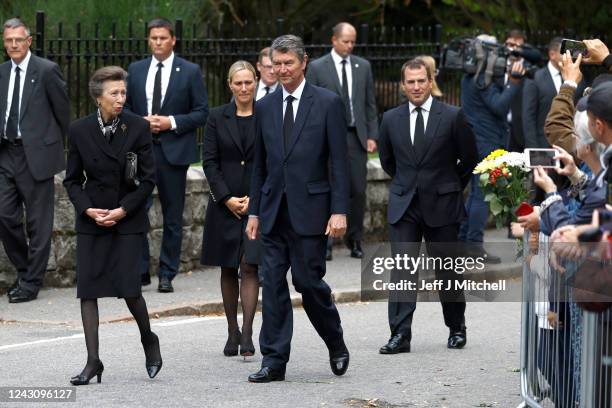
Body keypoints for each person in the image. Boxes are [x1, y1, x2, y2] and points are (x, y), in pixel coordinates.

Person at [245, 35, 350, 382]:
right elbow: (259, 164)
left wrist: (339, 210)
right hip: (274, 212)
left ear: (304, 62)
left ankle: (334, 340)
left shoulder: (327, 103)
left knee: (307, 283)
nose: (282, 69)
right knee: (272, 286)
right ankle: (274, 360)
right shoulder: (265, 106)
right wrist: (255, 212)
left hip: (312, 212)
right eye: (277, 63)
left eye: (289, 62)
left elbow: (339, 161)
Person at [63, 66, 161, 385]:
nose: (121, 99)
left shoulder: (137, 127)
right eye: (114, 93)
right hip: (92, 218)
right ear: (97, 97)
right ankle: (93, 361)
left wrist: (122, 210)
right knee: (88, 291)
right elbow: (72, 180)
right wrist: (87, 209)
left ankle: (149, 338)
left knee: (129, 289)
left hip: (126, 218)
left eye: (123, 92)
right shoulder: (78, 130)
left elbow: (148, 180)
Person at [378, 57, 478, 354]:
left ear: (431, 81)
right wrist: (409, 185)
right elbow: (388, 161)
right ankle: (400, 334)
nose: (417, 86)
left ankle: (456, 327)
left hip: (443, 203)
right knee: (403, 269)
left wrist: (449, 187)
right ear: (403, 85)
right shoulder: (390, 119)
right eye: (411, 81)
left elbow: (470, 159)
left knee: (447, 269)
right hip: (404, 203)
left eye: (422, 80)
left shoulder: (452, 116)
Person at [125, 18, 209, 293]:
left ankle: (167, 273)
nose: (158, 42)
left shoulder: (189, 71)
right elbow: (123, 109)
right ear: (148, 40)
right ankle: (138, 271)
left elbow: (201, 112)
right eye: (154, 38)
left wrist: (170, 122)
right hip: (141, 151)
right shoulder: (135, 70)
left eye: (163, 38)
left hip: (173, 152)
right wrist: (141, 122)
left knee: (173, 216)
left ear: (173, 40)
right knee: (137, 211)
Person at [0, 18, 70, 303]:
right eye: (8, 41)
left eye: (19, 40)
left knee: (39, 224)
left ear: (29, 41)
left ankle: (30, 284)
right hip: (6, 152)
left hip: (37, 156)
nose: (14, 45)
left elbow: (63, 114)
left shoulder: (46, 71)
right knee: (4, 215)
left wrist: (65, 151)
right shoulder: (2, 72)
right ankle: (26, 270)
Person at [201, 60, 260, 357]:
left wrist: (255, 199)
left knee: (250, 265)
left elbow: (273, 159)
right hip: (224, 205)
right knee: (228, 266)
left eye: (249, 82)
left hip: (256, 205)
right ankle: (231, 330)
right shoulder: (216, 117)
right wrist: (226, 198)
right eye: (238, 83)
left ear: (257, 82)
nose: (244, 88)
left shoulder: (266, 115)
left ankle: (248, 332)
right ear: (230, 85)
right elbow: (208, 161)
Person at [306, 22, 378, 260]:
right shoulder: (317, 67)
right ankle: (325, 240)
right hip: (326, 137)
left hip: (355, 135)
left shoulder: (363, 66)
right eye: (346, 40)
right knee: (327, 185)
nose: (350, 45)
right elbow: (311, 104)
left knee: (357, 189)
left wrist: (371, 135)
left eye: (353, 41)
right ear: (334, 40)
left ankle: (355, 239)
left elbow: (369, 103)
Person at [458, 34, 525, 262]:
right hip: (486, 142)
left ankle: (463, 240)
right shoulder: (482, 79)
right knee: (483, 195)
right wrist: (514, 85)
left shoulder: (470, 76)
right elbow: (499, 106)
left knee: (477, 193)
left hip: (475, 139)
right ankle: (474, 246)